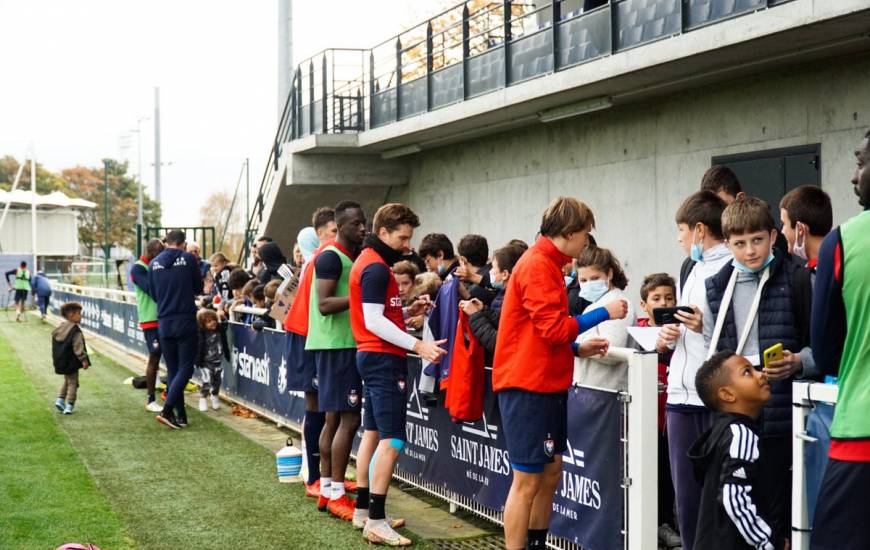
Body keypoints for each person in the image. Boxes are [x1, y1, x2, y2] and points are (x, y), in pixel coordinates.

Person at [493, 197, 625, 550]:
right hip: (528, 386)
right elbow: (552, 329)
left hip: (542, 383)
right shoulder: (538, 264)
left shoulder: (547, 263)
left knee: (549, 474)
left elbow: (538, 332)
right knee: (527, 481)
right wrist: (604, 313)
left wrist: (576, 349)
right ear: (568, 232)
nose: (586, 243)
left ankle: (536, 543)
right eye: (584, 234)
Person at [702, 197, 811, 542]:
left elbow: (820, 343)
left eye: (758, 240)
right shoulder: (718, 283)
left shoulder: (796, 277)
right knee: (738, 505)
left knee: (780, 508)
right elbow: (717, 349)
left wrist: (799, 362)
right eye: (739, 243)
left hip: (783, 412)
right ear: (727, 243)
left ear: (774, 235)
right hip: (734, 416)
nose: (750, 251)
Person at [348, 203, 447, 545]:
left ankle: (364, 511)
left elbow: (376, 315)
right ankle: (375, 520)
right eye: (403, 237)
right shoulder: (375, 267)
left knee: (373, 433)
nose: (408, 245)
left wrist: (406, 311)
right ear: (385, 232)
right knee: (393, 438)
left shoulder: (372, 264)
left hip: (372, 357)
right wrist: (418, 346)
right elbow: (374, 322)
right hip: (382, 360)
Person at [656, 190, 731, 550]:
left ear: (700, 230)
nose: (680, 239)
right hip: (679, 397)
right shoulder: (693, 268)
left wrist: (706, 325)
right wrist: (670, 336)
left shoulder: (731, 266)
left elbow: (738, 333)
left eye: (682, 230)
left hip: (711, 399)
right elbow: (690, 333)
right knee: (686, 502)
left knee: (714, 502)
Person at [809, 129, 870, 550]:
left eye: (862, 162)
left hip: (861, 433)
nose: (854, 175)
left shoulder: (845, 240)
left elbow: (827, 352)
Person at [305, 201, 367, 521]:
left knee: (333, 420)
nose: (363, 228)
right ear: (339, 226)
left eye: (364, 223)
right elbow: (325, 303)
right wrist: (362, 295)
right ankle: (337, 494)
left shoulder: (342, 257)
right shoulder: (331, 257)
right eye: (357, 224)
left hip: (335, 345)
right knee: (348, 420)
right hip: (338, 346)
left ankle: (328, 491)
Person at [689, 351, 786, 550]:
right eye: (747, 372)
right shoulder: (741, 435)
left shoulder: (723, 431)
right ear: (727, 394)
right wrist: (768, 542)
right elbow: (734, 498)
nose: (761, 374)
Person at [635, 273, 680, 549]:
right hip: (646, 418)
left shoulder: (682, 331)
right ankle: (657, 525)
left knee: (671, 473)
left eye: (669, 298)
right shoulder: (637, 331)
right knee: (653, 473)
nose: (663, 303)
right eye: (656, 298)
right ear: (644, 304)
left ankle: (671, 522)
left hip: (672, 417)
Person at [149, 229, 203, 430]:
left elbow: (153, 294)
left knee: (173, 369)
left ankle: (181, 416)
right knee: (186, 368)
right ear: (183, 242)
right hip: (185, 319)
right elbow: (198, 287)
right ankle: (167, 410)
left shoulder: (154, 263)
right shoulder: (188, 259)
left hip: (164, 321)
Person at [573, 246, 637, 390]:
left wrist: (578, 335)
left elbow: (611, 350)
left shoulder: (619, 304)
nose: (589, 284)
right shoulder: (595, 305)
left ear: (609, 274)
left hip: (608, 393)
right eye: (583, 280)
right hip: (592, 391)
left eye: (595, 278)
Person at [463, 244, 525, 359]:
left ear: (505, 274)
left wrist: (475, 315)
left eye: (493, 268)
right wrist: (484, 310)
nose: (490, 271)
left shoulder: (517, 300)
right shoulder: (506, 294)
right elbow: (502, 321)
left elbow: (499, 342)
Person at [130, 238, 165, 412]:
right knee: (154, 355)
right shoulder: (138, 268)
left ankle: (166, 393)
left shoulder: (153, 266)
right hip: (150, 320)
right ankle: (150, 400)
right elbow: (152, 290)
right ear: (152, 253)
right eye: (160, 254)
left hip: (164, 318)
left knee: (170, 356)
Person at [779, 185, 833, 273]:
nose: (782, 231)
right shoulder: (839, 261)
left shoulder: (823, 271)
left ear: (800, 229)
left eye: (784, 224)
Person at [51, 302, 90, 415]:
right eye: (79, 314)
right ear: (72, 315)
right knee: (73, 382)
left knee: (67, 380)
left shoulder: (60, 328)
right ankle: (70, 405)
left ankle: (60, 399)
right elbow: (78, 347)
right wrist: (84, 360)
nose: (81, 316)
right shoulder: (75, 331)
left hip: (61, 361)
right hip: (71, 361)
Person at [195, 308, 229, 412]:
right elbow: (198, 348)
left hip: (218, 361)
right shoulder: (201, 334)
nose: (212, 323)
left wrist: (223, 318)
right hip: (206, 362)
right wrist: (198, 361)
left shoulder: (219, 329)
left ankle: (214, 396)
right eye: (208, 321)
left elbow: (225, 325)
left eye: (213, 319)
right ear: (202, 324)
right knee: (207, 381)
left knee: (217, 381)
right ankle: (203, 398)